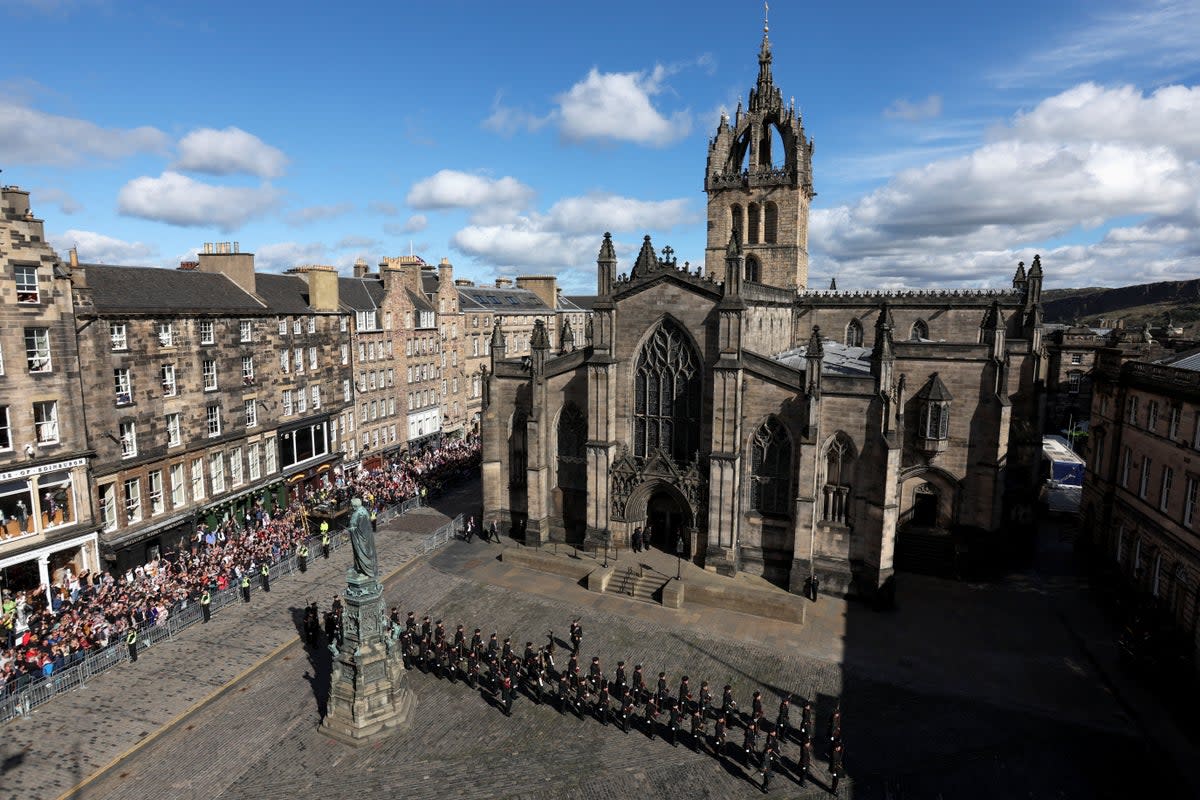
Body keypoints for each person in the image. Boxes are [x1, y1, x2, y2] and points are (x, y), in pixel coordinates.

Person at [348, 497, 378, 579]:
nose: (351, 507)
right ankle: (359, 568)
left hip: (361, 539)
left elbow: (354, 527)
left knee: (361, 553)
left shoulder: (358, 513)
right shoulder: (363, 510)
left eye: (352, 506)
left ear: (355, 506)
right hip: (366, 537)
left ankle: (364, 571)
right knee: (366, 552)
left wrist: (351, 530)